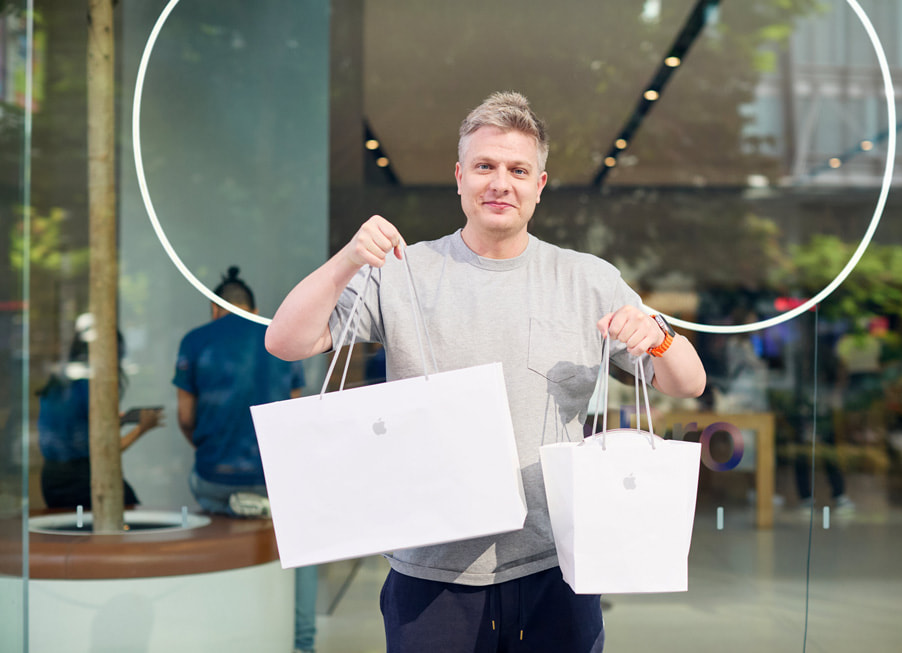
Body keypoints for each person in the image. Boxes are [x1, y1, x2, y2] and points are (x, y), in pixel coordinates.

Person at [265, 91, 706, 652]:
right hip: (432, 569)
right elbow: (285, 341)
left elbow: (688, 383)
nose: (501, 182)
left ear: (539, 186)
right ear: (459, 177)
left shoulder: (587, 278)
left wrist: (662, 338)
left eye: (518, 170)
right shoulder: (403, 272)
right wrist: (349, 257)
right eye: (485, 166)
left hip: (558, 564)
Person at [172, 267, 318, 653]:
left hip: (215, 479)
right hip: (272, 478)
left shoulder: (195, 341)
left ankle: (222, 634)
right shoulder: (279, 337)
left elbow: (185, 418)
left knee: (216, 534)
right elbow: (294, 413)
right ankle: (302, 643)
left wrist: (207, 448)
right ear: (253, 308)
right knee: (302, 545)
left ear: (216, 309)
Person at [37, 314, 163, 509]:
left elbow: (72, 430)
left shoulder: (58, 385)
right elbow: (107, 450)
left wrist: (112, 422)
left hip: (51, 478)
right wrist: (143, 427)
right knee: (128, 509)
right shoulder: (90, 388)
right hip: (81, 478)